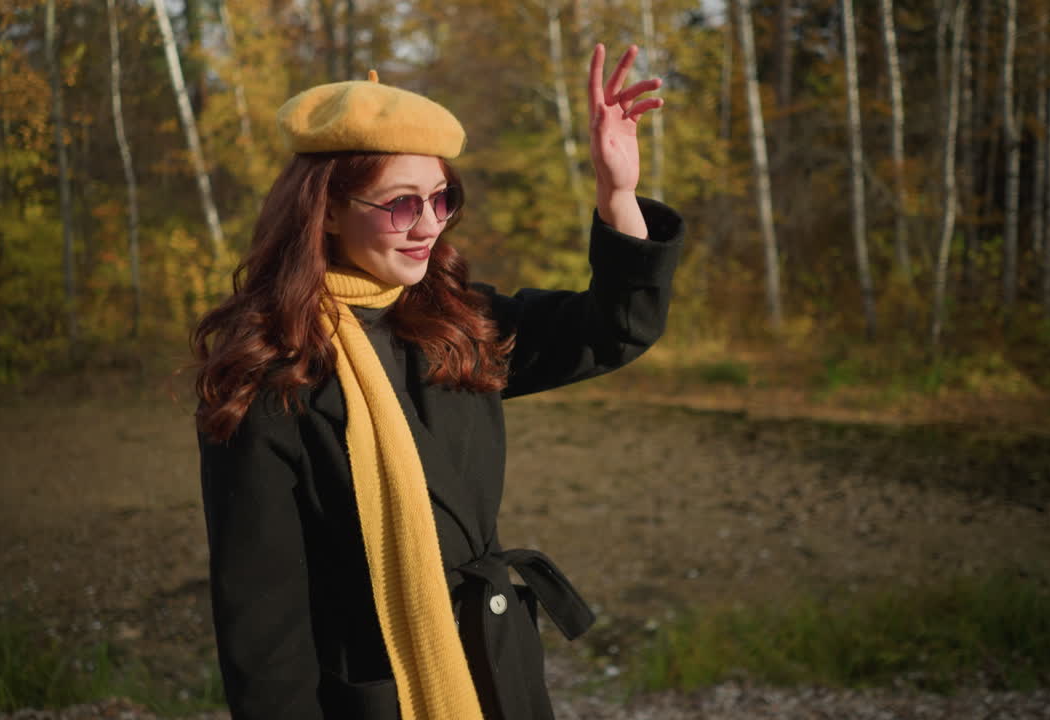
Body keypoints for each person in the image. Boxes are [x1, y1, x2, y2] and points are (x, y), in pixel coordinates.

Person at [192, 43, 684, 720]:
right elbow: (262, 623)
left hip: (498, 674)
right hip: (379, 695)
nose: (428, 225)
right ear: (326, 209)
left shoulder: (458, 323)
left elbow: (614, 329)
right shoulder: (270, 372)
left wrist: (617, 193)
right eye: (401, 204)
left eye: (441, 198)